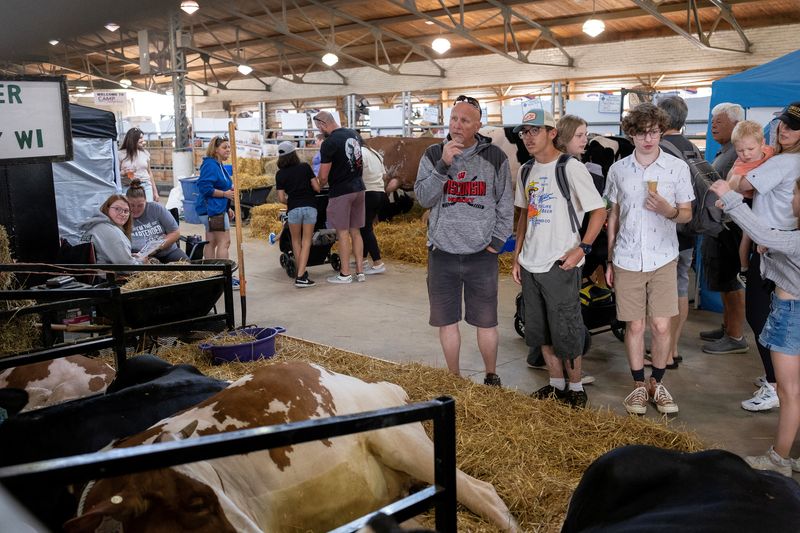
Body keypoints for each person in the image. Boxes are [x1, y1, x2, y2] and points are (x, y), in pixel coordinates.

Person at [414, 95, 513, 386]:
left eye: (465, 120)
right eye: (454, 119)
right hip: (442, 251)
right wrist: (443, 165)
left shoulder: (495, 157)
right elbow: (424, 198)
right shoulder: (433, 154)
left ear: (478, 125)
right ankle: (454, 377)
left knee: (487, 321)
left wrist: (496, 242)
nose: (457, 125)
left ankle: (491, 375)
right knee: (447, 321)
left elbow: (505, 204)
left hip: (481, 254)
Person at [512, 110, 607, 408]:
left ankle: (576, 387)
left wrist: (583, 248)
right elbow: (524, 217)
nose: (528, 137)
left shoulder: (570, 168)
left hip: (560, 263)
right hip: (530, 263)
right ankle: (555, 384)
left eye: (534, 130)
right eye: (524, 132)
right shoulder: (526, 170)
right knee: (539, 327)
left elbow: (599, 211)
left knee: (566, 327)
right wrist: (516, 258)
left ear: (552, 133)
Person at [604, 103, 694, 415]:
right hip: (627, 257)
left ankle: (658, 382)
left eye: (653, 132)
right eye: (641, 133)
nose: (648, 139)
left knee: (660, 324)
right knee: (635, 325)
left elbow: (686, 213)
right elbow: (613, 215)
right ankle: (639, 386)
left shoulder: (676, 168)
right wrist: (609, 259)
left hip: (664, 256)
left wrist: (668, 210)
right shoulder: (618, 170)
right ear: (631, 134)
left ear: (661, 131)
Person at [709, 177, 800, 476]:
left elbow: (762, 231)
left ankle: (779, 460)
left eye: (794, 194)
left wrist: (730, 198)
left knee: (789, 392)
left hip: (791, 315)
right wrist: (769, 252)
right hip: (788, 310)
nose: (791, 201)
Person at [732, 102, 800, 412]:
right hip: (776, 240)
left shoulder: (783, 162)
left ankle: (775, 385)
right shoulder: (781, 157)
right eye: (783, 123)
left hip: (771, 244)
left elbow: (744, 185)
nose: (783, 129)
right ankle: (780, 380)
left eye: (792, 127)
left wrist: (734, 179)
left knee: (761, 315)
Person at [699, 103, 749, 356]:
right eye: (712, 121)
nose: (713, 125)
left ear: (735, 124)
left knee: (731, 283)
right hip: (719, 227)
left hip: (728, 227)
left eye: (719, 121)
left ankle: (736, 336)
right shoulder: (725, 152)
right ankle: (728, 327)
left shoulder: (736, 155)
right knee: (723, 281)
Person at [656, 95, 699, 369]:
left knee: (664, 293)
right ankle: (673, 348)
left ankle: (663, 352)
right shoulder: (693, 147)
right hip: (691, 228)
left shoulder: (661, 149)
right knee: (681, 286)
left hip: (667, 230)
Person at [312, 111, 366, 284]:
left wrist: (317, 184)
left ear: (322, 124)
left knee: (342, 233)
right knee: (356, 231)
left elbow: (324, 175)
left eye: (318, 128)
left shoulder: (329, 143)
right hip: (359, 187)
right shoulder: (354, 134)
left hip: (342, 191)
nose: (319, 131)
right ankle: (360, 271)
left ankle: (345, 274)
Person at [727, 120, 775, 283]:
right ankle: (744, 269)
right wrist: (727, 197)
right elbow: (732, 183)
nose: (746, 154)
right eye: (740, 150)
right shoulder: (742, 164)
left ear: (763, 143)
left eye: (750, 149)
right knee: (747, 235)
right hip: (748, 201)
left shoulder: (771, 152)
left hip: (764, 199)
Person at [275, 140, 321, 288]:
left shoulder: (280, 174)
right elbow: (317, 188)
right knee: (307, 241)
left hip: (293, 209)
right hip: (310, 207)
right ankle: (301, 276)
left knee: (296, 241)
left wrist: (292, 202)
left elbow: (281, 198)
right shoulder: (305, 167)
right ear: (294, 153)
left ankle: (302, 273)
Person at [196, 136, 236, 275]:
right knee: (224, 242)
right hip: (212, 210)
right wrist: (225, 195)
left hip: (216, 209)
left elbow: (220, 187)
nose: (228, 150)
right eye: (224, 147)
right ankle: (224, 275)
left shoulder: (218, 165)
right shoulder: (210, 165)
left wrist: (227, 207)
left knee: (211, 242)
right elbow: (204, 188)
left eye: (229, 147)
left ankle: (211, 274)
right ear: (215, 150)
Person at [126, 179, 188, 263]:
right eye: (132, 205)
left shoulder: (156, 208)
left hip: (167, 251)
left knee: (186, 265)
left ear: (146, 201)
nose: (135, 209)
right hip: (138, 257)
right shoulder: (123, 214)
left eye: (140, 205)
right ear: (126, 202)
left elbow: (175, 232)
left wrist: (157, 248)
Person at [79, 195, 141, 264]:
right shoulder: (108, 230)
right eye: (117, 209)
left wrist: (129, 256)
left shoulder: (97, 226)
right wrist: (141, 261)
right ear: (107, 209)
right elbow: (127, 267)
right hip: (102, 274)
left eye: (126, 211)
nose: (122, 214)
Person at [358, 136, 387, 274]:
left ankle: (377, 262)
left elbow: (357, 174)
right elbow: (384, 175)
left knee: (365, 229)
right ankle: (362, 259)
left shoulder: (360, 153)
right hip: (380, 192)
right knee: (365, 227)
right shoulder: (375, 153)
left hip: (368, 192)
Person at [119, 127, 159, 202]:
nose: (143, 140)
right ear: (133, 139)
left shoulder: (145, 153)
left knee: (147, 210)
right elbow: (115, 174)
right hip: (127, 187)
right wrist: (123, 173)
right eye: (140, 138)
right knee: (130, 211)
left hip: (145, 186)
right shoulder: (120, 154)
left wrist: (155, 192)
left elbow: (149, 172)